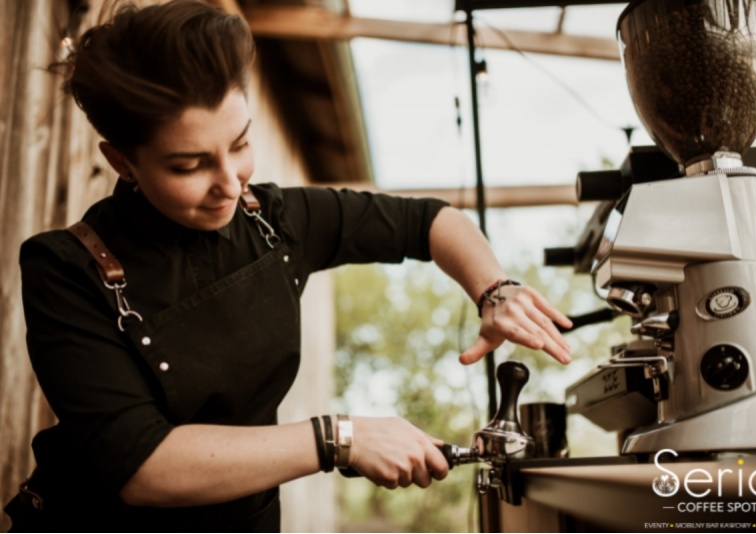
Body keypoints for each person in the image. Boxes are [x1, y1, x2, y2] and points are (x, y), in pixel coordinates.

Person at [3, 0, 572, 531]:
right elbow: (143, 468)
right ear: (122, 160)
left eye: (241, 143)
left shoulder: (273, 221)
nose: (229, 183)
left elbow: (429, 221)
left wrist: (494, 289)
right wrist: (338, 439)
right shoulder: (64, 268)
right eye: (189, 165)